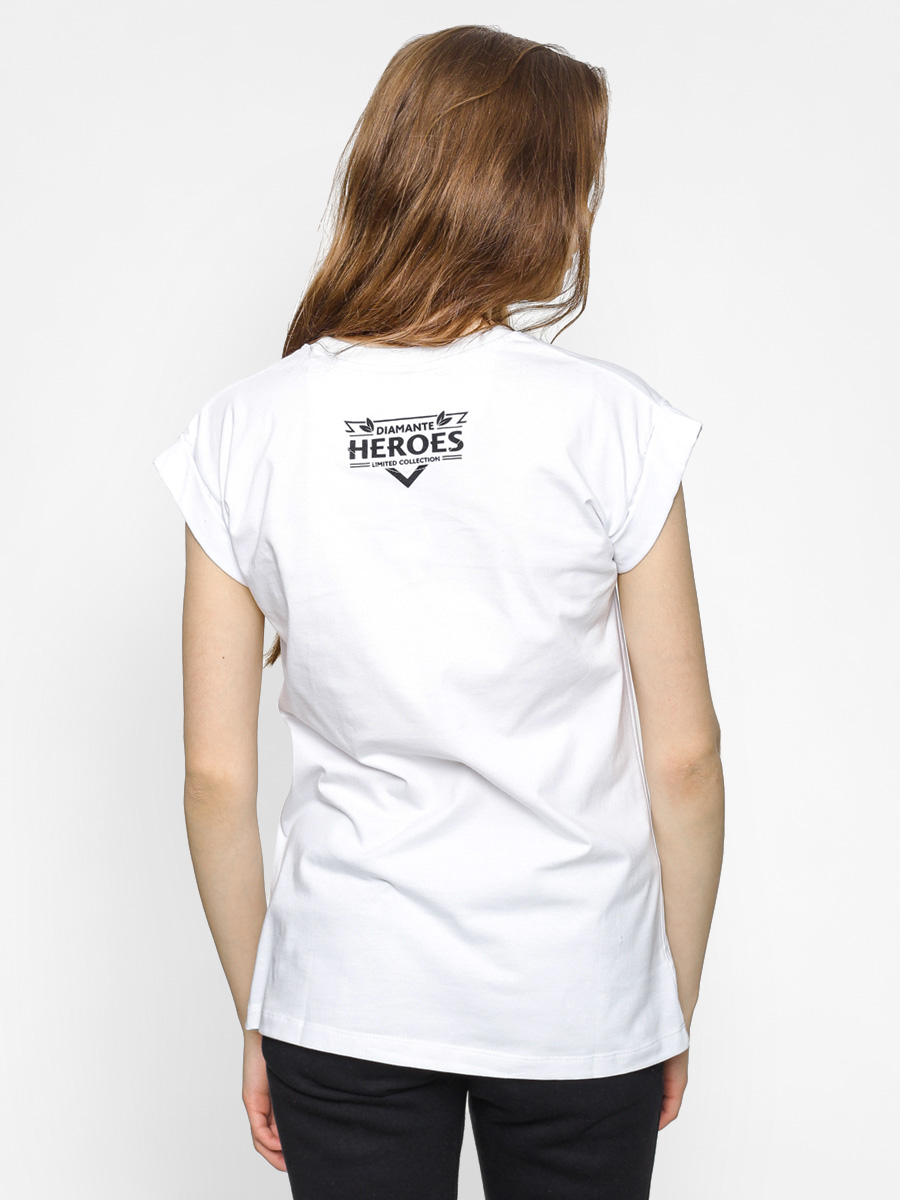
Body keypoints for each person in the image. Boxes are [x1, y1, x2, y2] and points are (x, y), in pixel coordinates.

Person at [153, 23, 724, 1200]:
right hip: (576, 992)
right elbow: (685, 758)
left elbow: (215, 777)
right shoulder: (611, 422)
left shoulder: (243, 430)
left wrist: (265, 1009)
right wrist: (663, 999)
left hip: (344, 991)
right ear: (533, 198)